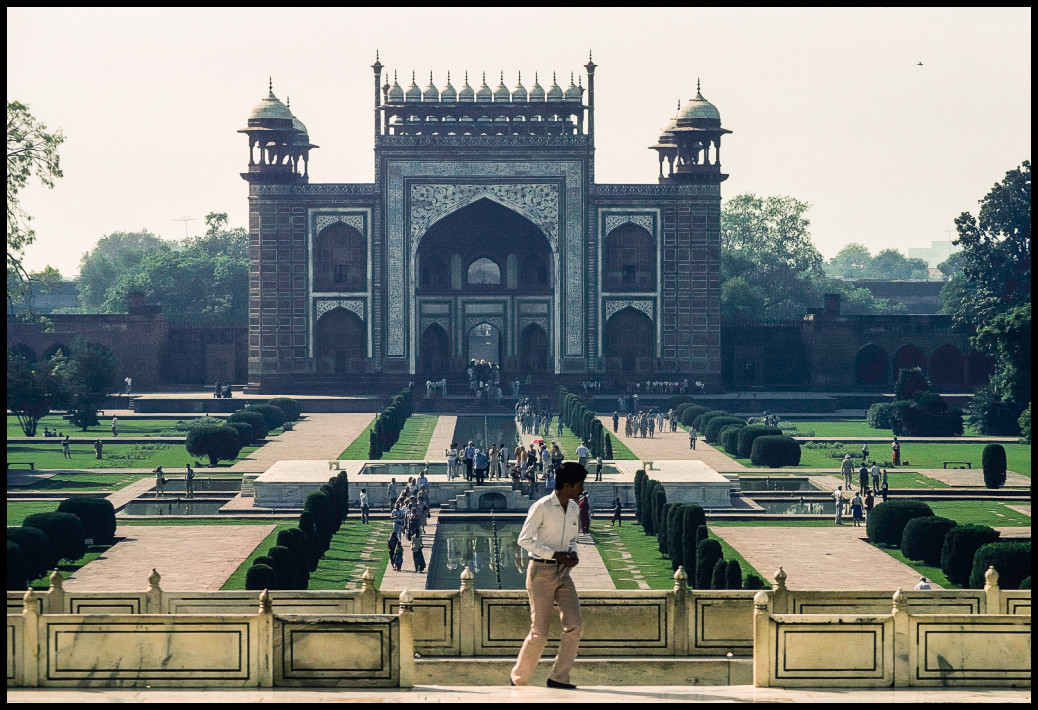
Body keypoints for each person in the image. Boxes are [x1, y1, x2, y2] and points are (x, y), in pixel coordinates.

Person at [510, 461, 587, 689]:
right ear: (566, 485)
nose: (581, 490)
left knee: (575, 625)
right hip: (541, 572)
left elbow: (573, 539)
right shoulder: (542, 506)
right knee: (540, 632)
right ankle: (519, 679)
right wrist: (555, 554)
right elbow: (523, 539)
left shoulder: (573, 508)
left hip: (564, 573)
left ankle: (559, 677)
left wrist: (572, 554)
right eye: (579, 485)